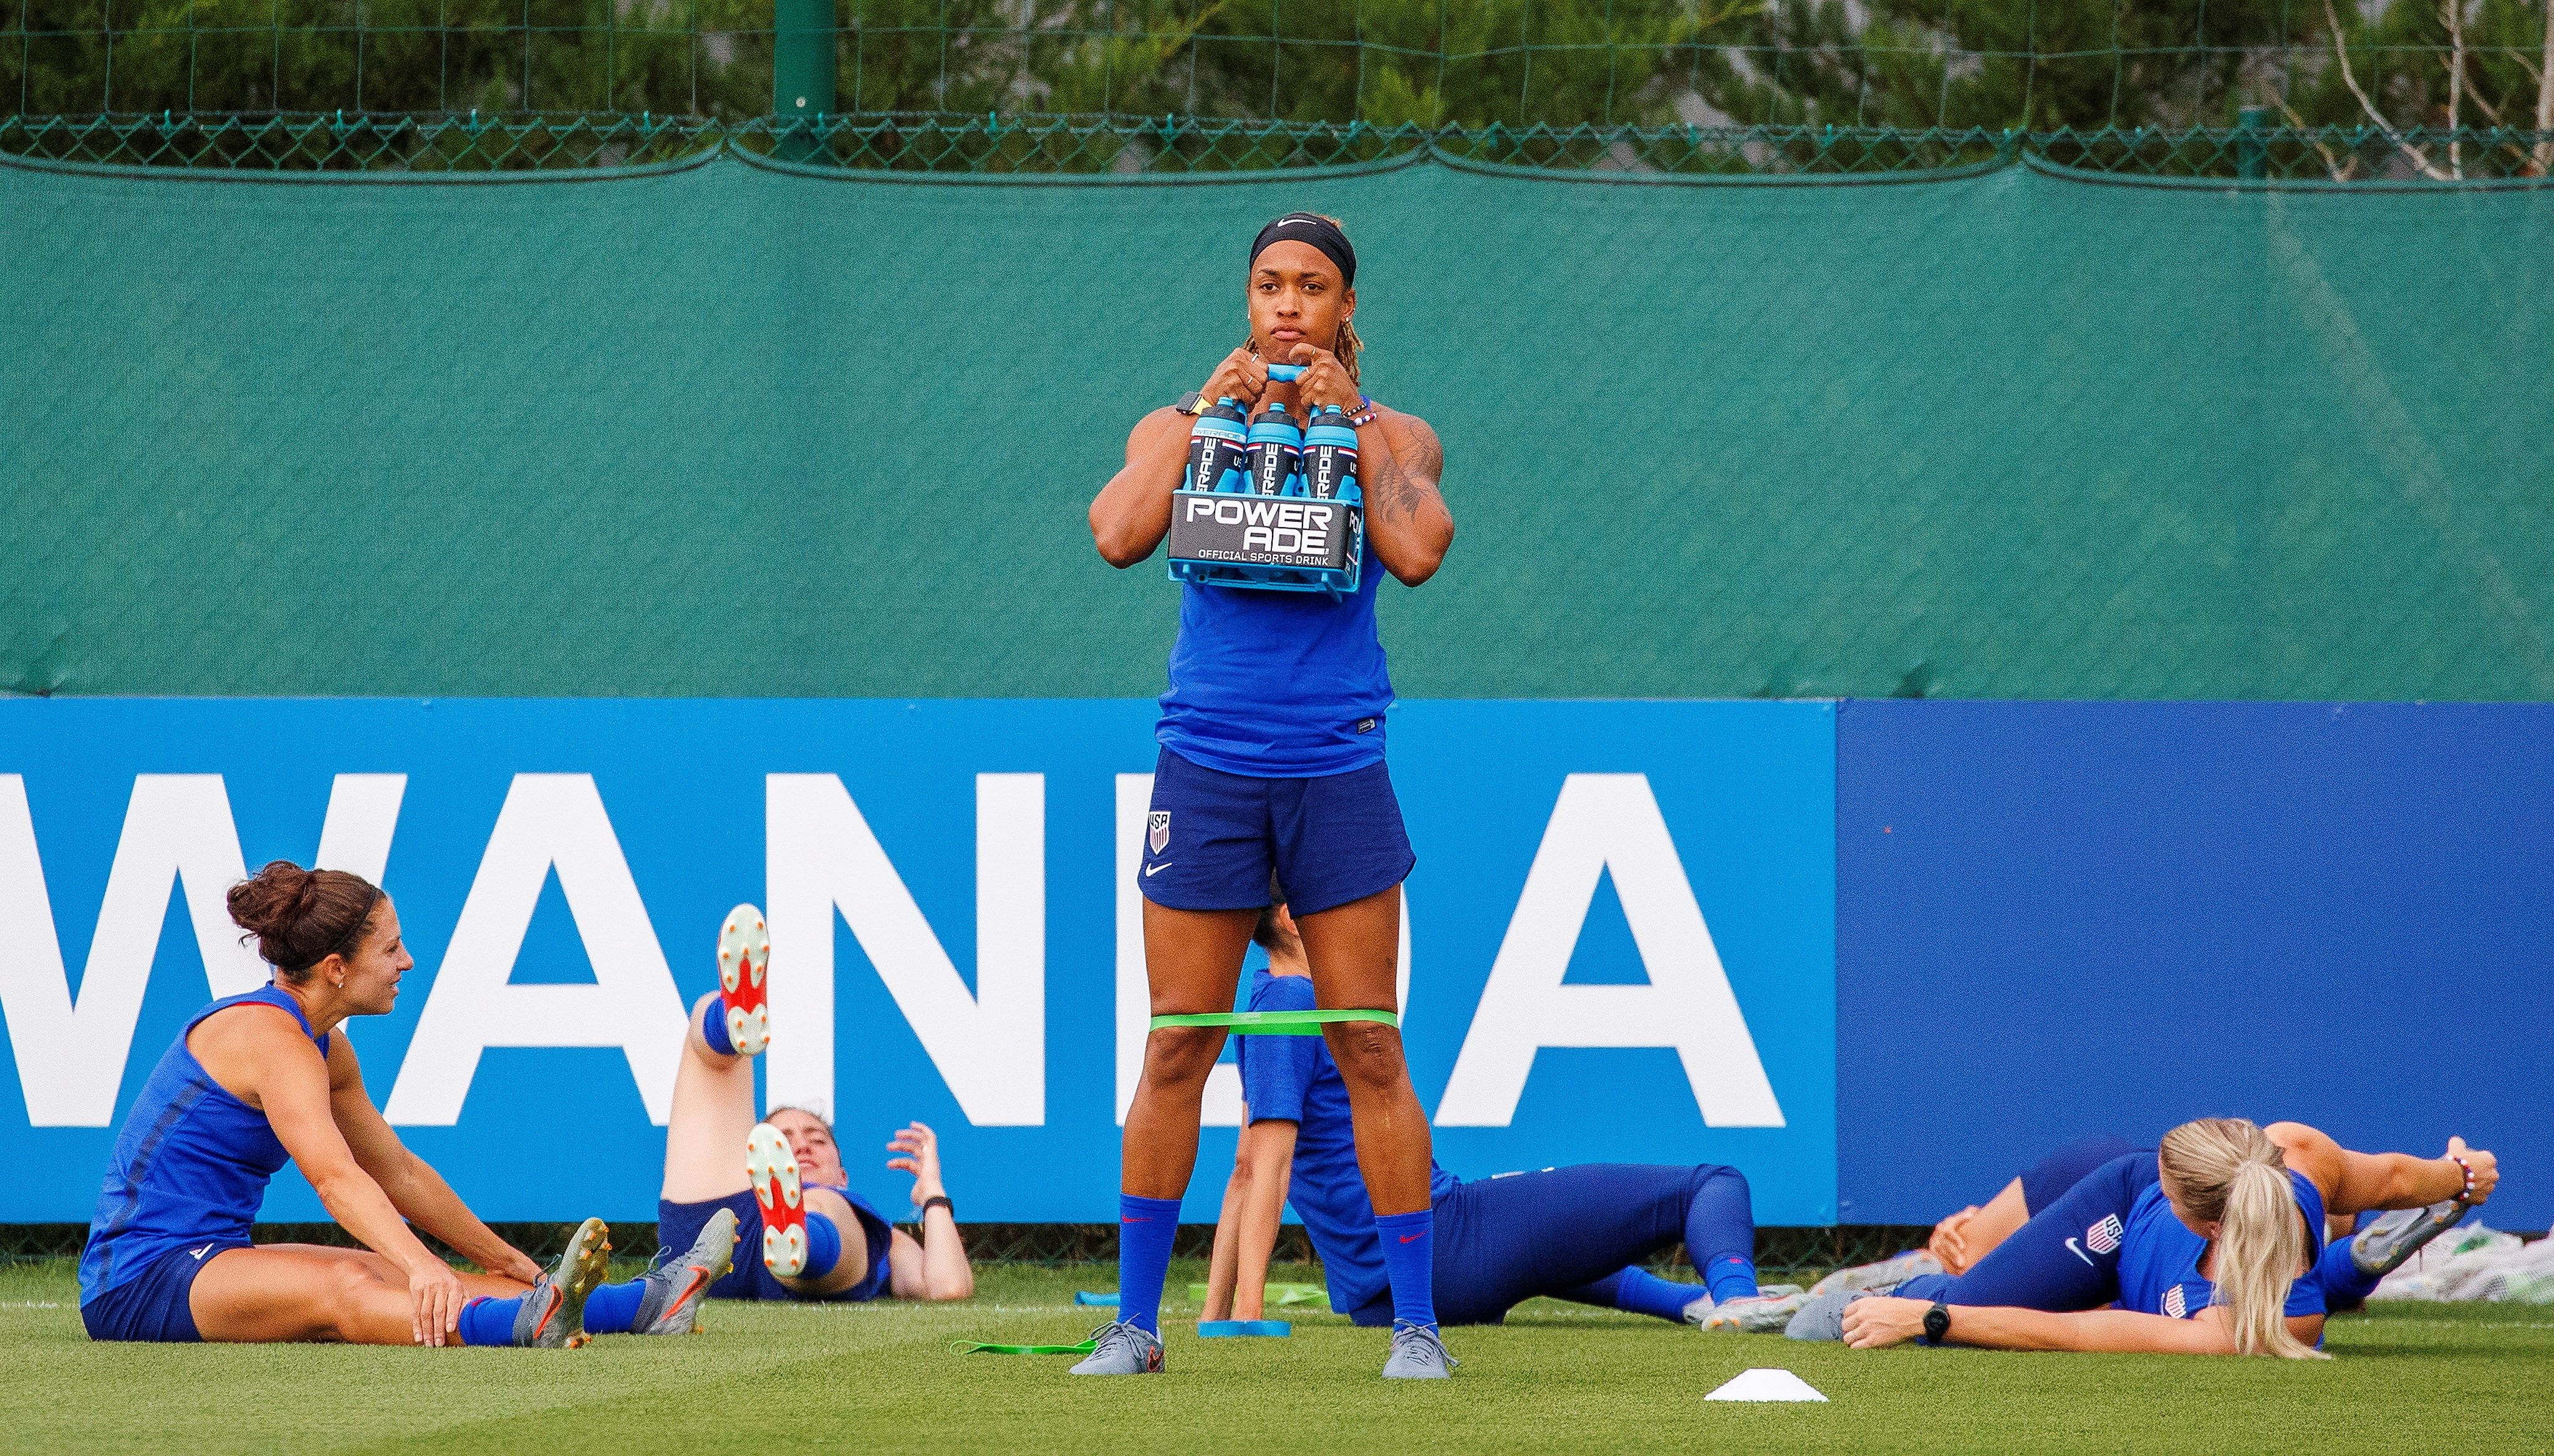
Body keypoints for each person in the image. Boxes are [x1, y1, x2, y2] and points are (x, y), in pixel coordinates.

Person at [1082, 211, 1457, 1379]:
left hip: (1335, 762)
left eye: (1311, 288)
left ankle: (1415, 1328)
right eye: (1267, 286)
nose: (1287, 305)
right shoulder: (1177, 421)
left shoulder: (1393, 431)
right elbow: (1115, 533)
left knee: (1369, 1047)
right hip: (1208, 764)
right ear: (1246, 303)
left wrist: (1345, 422)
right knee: (1178, 1046)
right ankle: (1137, 1328)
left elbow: (1420, 546)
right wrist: (1200, 414)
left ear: (1348, 308)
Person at [78, 860, 730, 1347]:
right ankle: (524, 1327)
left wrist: (508, 1261)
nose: (407, 961)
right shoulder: (270, 1038)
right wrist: (422, 1265)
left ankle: (645, 1303)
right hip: (137, 1280)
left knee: (380, 1268)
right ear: (336, 968)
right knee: (352, 1288)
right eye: (390, 948)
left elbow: (399, 1172)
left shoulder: (326, 1050)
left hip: (211, 1256)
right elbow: (334, 1179)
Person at [1202, 895, 1803, 1334]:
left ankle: (1688, 1303)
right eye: (1333, 899)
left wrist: (1215, 1313)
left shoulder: (1262, 1002)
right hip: (1440, 1251)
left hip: (1385, 1293)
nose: (1352, 908)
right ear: (1289, 918)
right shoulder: (1294, 1002)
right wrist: (1248, 1314)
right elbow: (1268, 1168)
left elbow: (1244, 1170)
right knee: (1712, 1183)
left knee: (1536, 1244)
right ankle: (1738, 1298)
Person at [1788, 1117, 2500, 1357]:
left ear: (2206, 1223)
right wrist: (2463, 1175)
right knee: (1966, 1285)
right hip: (2110, 1209)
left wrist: (1928, 1319)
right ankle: (2345, 1263)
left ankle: (2346, 1263)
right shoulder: (2293, 1149)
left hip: (2152, 1247)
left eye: (2165, 1177)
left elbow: (2068, 1336)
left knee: (1948, 1315)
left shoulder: (2227, 1325)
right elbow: (2407, 1180)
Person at [653, 905, 975, 1306]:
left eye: (816, 1139)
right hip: (715, 1234)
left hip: (809, 1251)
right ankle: (729, 1021)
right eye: (782, 1140)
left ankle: (801, 1238)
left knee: (823, 1203)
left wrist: (933, 1194)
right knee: (706, 1026)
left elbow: (948, 1288)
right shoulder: (743, 1181)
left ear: (843, 1173)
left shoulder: (878, 1232)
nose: (800, 1147)